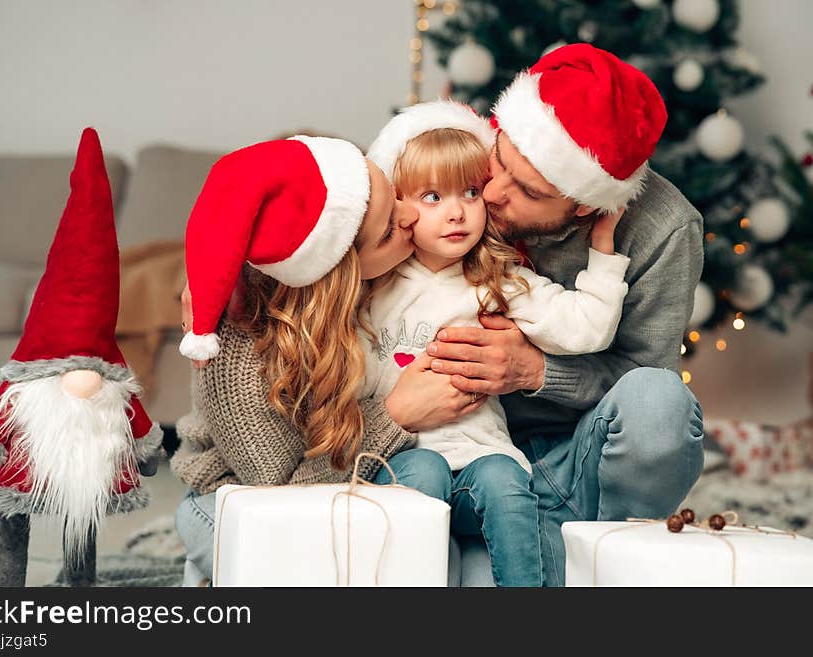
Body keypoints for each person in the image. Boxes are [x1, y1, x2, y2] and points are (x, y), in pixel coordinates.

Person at [407, 44, 705, 586]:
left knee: (660, 404)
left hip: (574, 464)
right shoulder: (458, 158)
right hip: (448, 455)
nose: (491, 194)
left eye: (529, 191)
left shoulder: (665, 230)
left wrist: (536, 372)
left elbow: (642, 379)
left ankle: (594, 546)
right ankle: (505, 541)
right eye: (500, 160)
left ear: (586, 204)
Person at [171, 135, 480, 582]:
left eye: (395, 197)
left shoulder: (361, 275)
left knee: (433, 519)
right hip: (237, 500)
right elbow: (283, 497)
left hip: (348, 473)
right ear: (338, 272)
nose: (412, 215)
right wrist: (396, 413)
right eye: (391, 229)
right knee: (301, 569)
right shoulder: (236, 361)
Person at [359, 100, 629, 586]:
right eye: (432, 197)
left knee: (505, 478)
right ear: (398, 207)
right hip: (399, 460)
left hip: (479, 463)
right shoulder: (373, 288)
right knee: (420, 470)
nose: (458, 212)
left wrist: (604, 249)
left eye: (470, 191)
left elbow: (586, 326)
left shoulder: (497, 281)